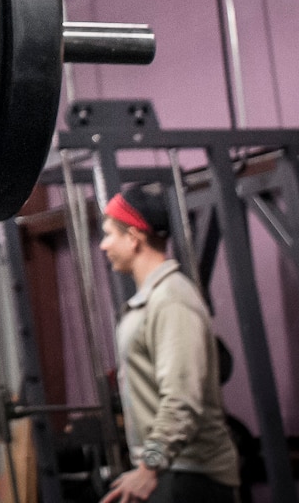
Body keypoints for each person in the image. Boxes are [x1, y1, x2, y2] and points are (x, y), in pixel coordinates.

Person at [98, 182, 240, 503]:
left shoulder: (172, 300)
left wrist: (149, 466)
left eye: (110, 234)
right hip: (171, 471)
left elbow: (182, 398)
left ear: (134, 238)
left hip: (191, 477)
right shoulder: (152, 301)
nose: (103, 245)